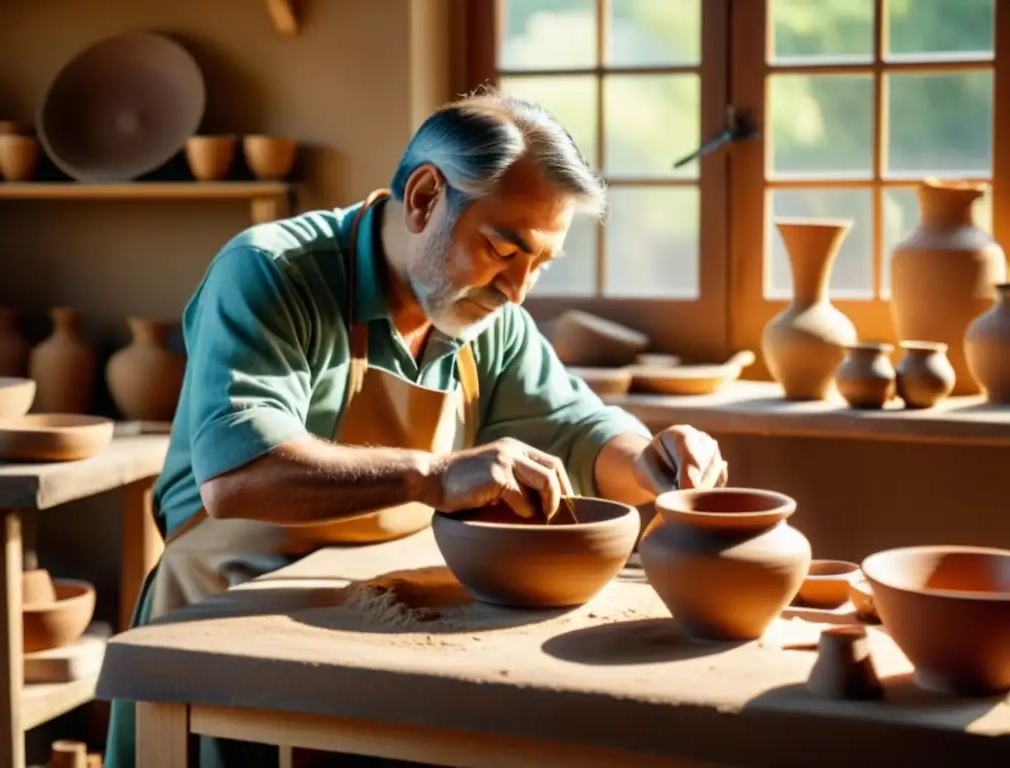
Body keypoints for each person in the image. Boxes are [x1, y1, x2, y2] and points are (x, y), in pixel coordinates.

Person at [105, 87, 728, 766]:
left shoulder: (490, 321)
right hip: (225, 628)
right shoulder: (270, 273)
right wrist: (429, 475)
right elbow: (238, 476)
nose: (518, 290)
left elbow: (575, 429)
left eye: (538, 265)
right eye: (501, 249)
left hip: (374, 622)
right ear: (426, 198)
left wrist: (648, 459)